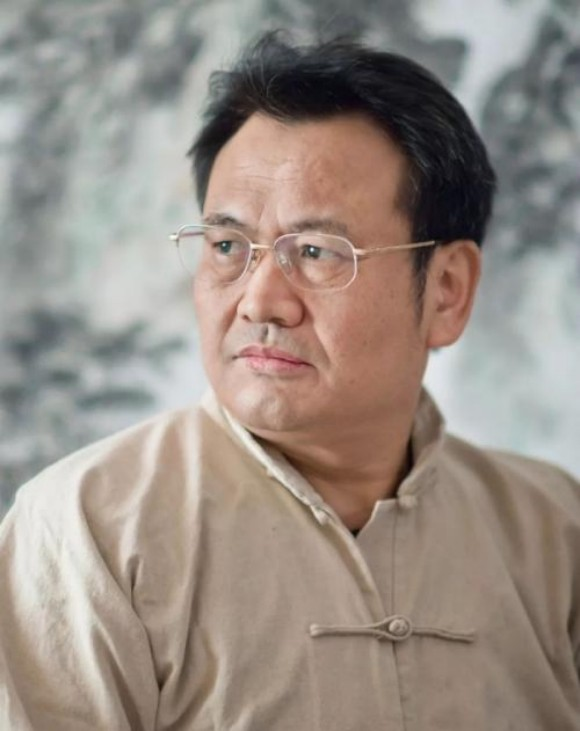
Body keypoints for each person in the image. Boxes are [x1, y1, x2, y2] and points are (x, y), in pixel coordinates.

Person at [1, 30, 579, 731]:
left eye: (316, 251)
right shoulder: (88, 529)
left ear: (448, 289)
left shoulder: (553, 531)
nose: (260, 302)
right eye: (227, 246)